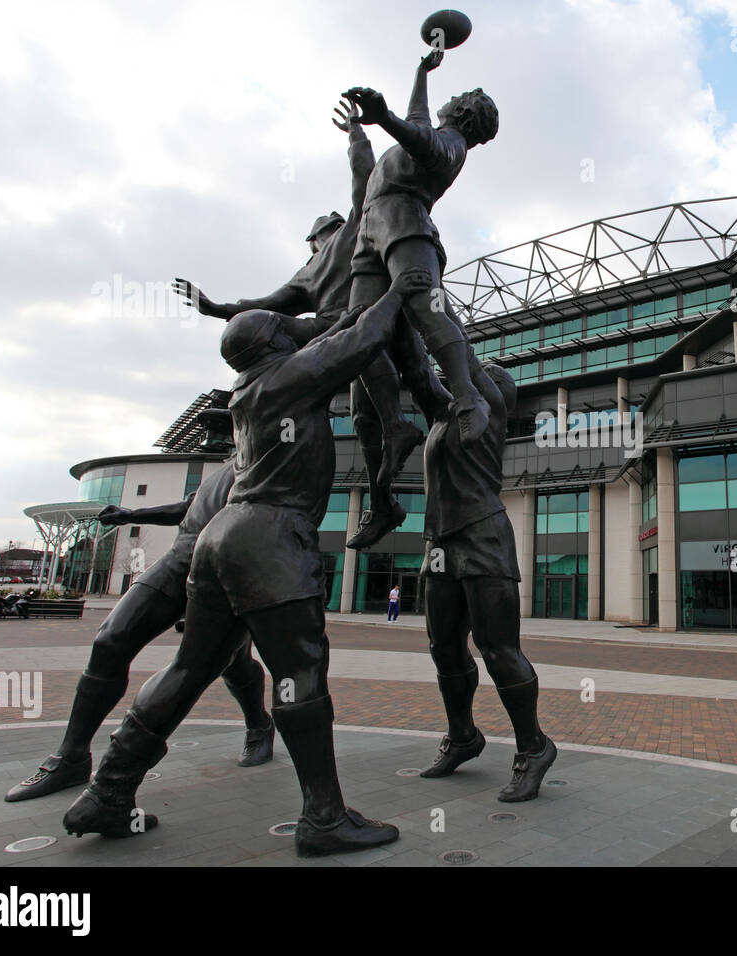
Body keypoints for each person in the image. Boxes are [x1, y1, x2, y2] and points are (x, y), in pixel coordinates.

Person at [62, 269, 435, 855]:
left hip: (220, 539)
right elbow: (362, 339)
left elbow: (337, 337)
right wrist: (399, 290)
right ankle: (324, 817)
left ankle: (110, 790)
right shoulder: (285, 378)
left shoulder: (247, 391)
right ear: (272, 347)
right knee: (301, 670)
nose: (295, 335)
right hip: (271, 536)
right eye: (286, 332)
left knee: (189, 667)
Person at [172, 97, 452, 554]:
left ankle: (394, 451)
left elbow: (363, 186)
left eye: (318, 236)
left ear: (322, 234)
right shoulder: (313, 266)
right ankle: (387, 480)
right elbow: (267, 309)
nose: (318, 243)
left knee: (371, 382)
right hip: (340, 331)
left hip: (360, 323)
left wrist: (357, 134)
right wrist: (218, 309)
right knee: (364, 413)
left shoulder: (350, 235)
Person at [5, 466, 273, 803]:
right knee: (110, 640)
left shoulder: (270, 450)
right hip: (181, 557)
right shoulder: (226, 466)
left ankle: (259, 724)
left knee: (230, 660)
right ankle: (71, 757)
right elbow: (186, 509)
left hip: (228, 567)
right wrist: (131, 514)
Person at [339, 49, 500, 549]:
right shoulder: (433, 129)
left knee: (427, 310)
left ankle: (466, 396)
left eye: (455, 96)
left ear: (465, 113)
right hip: (372, 231)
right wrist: (420, 73)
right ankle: (386, 478)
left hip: (406, 221)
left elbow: (422, 135)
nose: (447, 100)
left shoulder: (453, 143)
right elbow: (414, 119)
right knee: (359, 339)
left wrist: (383, 115)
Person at [416, 362, 556, 802]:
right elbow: (415, 362)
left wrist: (426, 297)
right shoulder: (443, 414)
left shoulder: (488, 409)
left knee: (498, 650)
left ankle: (534, 748)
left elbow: (452, 349)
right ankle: (462, 737)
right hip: (440, 543)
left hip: (484, 536)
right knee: (444, 648)